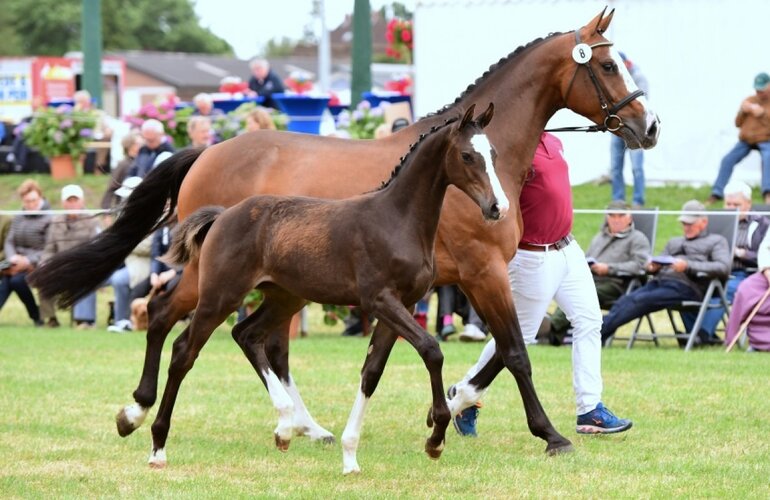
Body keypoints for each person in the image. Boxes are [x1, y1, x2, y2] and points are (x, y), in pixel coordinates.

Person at [451, 132, 632, 437]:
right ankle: (465, 394)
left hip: (568, 248)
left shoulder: (554, 141)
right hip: (533, 255)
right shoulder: (511, 148)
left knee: (589, 321)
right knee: (518, 338)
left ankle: (590, 410)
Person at [600, 200, 732, 346]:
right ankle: (597, 332)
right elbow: (654, 262)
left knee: (640, 300)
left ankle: (598, 333)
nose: (686, 227)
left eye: (690, 224)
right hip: (661, 281)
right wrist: (652, 267)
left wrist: (688, 266)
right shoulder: (674, 242)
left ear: (704, 222)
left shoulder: (716, 241)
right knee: (626, 300)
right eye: (684, 224)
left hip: (687, 286)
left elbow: (723, 267)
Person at [547, 200, 651, 345]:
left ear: (629, 218)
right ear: (607, 218)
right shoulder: (599, 237)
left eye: (620, 216)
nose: (616, 220)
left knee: (583, 292)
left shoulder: (638, 239)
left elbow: (640, 265)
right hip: (592, 279)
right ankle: (552, 332)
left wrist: (609, 268)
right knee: (569, 288)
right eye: (612, 216)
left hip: (618, 284)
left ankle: (550, 327)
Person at [40, 185, 102, 329]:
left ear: (82, 202)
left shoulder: (93, 220)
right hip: (60, 266)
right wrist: (44, 264)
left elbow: (97, 248)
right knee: (42, 276)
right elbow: (49, 249)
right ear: (63, 203)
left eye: (75, 200)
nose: (72, 204)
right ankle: (51, 318)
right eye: (69, 201)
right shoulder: (55, 221)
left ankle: (83, 321)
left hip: (83, 265)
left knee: (83, 276)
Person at [708, 72, 770, 204]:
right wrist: (743, 111)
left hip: (766, 139)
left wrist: (762, 114)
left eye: (762, 90)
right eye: (757, 89)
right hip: (746, 140)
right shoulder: (750, 100)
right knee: (727, 159)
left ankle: (767, 193)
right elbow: (737, 123)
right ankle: (717, 193)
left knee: (768, 158)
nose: (759, 93)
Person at [0, 180, 51, 326]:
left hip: (36, 263)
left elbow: (47, 248)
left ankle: (36, 315)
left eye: (33, 200)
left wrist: (27, 261)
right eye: (27, 201)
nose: (30, 204)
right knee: (1, 268)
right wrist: (12, 258)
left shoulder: (49, 218)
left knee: (15, 280)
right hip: (13, 260)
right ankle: (36, 316)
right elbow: (9, 241)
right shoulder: (18, 217)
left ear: (40, 197)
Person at [107, 177, 152, 333]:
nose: (123, 200)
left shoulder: (151, 215)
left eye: (126, 196)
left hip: (141, 264)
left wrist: (125, 244)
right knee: (90, 275)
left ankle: (123, 321)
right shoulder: (121, 215)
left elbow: (150, 246)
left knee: (119, 280)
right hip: (120, 261)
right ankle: (85, 320)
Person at [610, 53, 650, 208]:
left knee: (636, 167)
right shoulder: (615, 77)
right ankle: (618, 200)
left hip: (635, 130)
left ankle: (638, 201)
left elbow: (642, 105)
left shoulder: (639, 77)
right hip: (618, 128)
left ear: (626, 62)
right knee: (615, 167)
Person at [725, 230, 770, 351]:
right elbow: (765, 249)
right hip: (767, 273)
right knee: (746, 288)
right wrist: (767, 270)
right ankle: (757, 343)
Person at [100, 131, 143, 214]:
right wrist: (106, 213)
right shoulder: (123, 164)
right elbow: (111, 187)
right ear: (130, 145)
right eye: (137, 143)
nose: (141, 145)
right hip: (125, 207)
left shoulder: (143, 162)